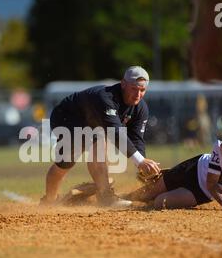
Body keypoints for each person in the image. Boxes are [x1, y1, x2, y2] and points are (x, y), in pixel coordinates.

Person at [41, 66, 161, 207]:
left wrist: (143, 167)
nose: (138, 94)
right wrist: (139, 161)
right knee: (68, 161)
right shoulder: (106, 97)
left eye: (142, 90)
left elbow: (136, 138)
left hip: (92, 125)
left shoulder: (140, 108)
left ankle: (103, 194)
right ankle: (51, 200)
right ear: (123, 83)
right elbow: (115, 133)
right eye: (134, 89)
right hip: (66, 118)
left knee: (87, 147)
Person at [125, 125, 222, 210]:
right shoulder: (219, 147)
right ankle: (118, 201)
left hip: (202, 192)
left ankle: (161, 186)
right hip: (192, 169)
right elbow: (212, 182)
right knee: (146, 194)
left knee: (159, 202)